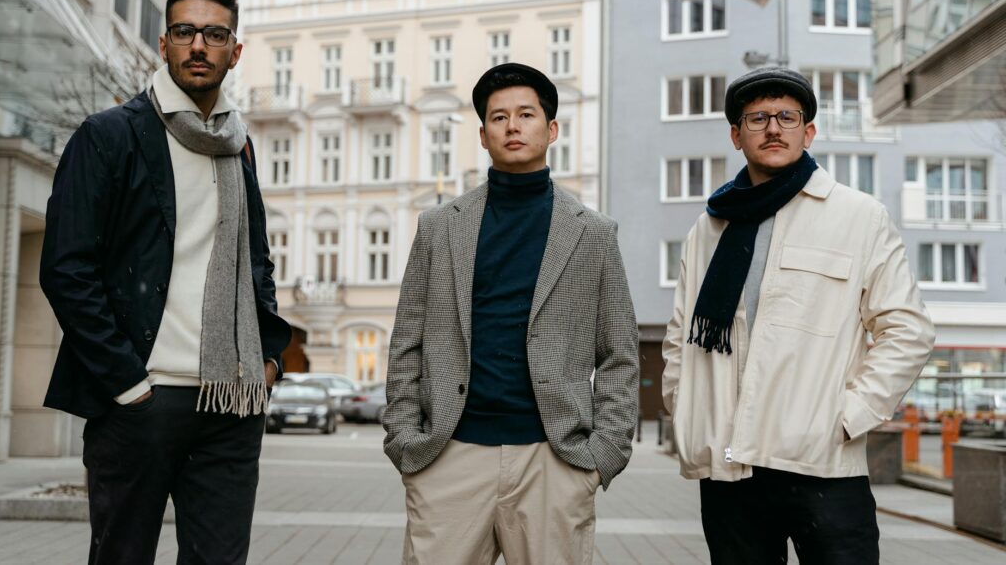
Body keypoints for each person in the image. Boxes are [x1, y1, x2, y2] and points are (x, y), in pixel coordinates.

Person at [40, 0, 291, 565]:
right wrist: (127, 385)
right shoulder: (110, 136)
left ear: (236, 49)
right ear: (163, 42)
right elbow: (66, 269)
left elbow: (257, 259)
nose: (198, 45)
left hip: (231, 404)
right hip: (141, 401)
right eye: (184, 31)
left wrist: (268, 361)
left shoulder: (238, 145)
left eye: (213, 33)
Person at [661, 67, 935, 564]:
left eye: (787, 116)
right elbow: (681, 335)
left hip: (822, 465)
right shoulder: (710, 226)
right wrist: (686, 414)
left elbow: (907, 330)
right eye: (758, 117)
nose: (773, 128)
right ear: (736, 134)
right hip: (729, 467)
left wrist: (849, 417)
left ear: (808, 132)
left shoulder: (858, 216)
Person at [383, 62, 639, 564]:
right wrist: (406, 444)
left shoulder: (593, 234)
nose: (513, 126)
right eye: (499, 118)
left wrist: (601, 457)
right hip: (449, 458)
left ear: (552, 129)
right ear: (482, 135)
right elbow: (406, 341)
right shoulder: (439, 227)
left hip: (554, 461)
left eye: (526, 114)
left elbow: (620, 356)